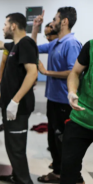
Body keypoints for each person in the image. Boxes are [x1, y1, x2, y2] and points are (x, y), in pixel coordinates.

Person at [0, 12, 38, 184]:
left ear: (13, 26)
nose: (3, 27)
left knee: (17, 148)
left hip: (18, 107)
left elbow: (32, 73)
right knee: (11, 146)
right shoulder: (14, 45)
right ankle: (16, 176)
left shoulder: (26, 44)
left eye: (5, 24)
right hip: (9, 104)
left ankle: (24, 181)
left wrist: (15, 100)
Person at [31, 7, 82, 183]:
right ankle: (58, 171)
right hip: (52, 99)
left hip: (64, 101)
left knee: (63, 140)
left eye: (55, 19)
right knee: (53, 138)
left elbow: (73, 72)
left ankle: (71, 175)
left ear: (64, 21)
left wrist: (47, 72)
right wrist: (35, 28)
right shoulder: (56, 42)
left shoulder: (71, 43)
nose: (52, 22)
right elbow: (33, 48)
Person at [61, 40, 93, 184]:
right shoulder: (91, 46)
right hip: (82, 116)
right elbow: (75, 72)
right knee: (69, 168)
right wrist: (72, 92)